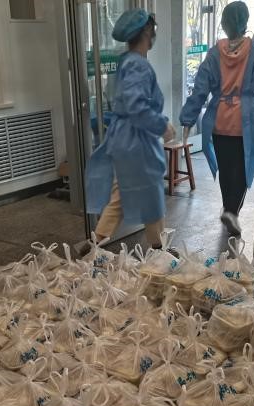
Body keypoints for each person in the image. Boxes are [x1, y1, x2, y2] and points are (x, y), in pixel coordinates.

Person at [83, 9, 176, 252]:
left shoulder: (127, 61)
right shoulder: (138, 65)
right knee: (151, 192)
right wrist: (163, 126)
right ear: (147, 31)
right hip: (136, 141)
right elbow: (137, 106)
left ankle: (95, 244)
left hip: (124, 138)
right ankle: (159, 249)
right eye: (153, 29)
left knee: (121, 194)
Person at [179, 1, 254, 237]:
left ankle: (228, 209)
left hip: (219, 120)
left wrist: (188, 119)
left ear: (224, 24)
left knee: (226, 169)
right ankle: (232, 211)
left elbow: (200, 90)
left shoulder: (214, 53)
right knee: (244, 168)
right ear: (245, 22)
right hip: (246, 122)